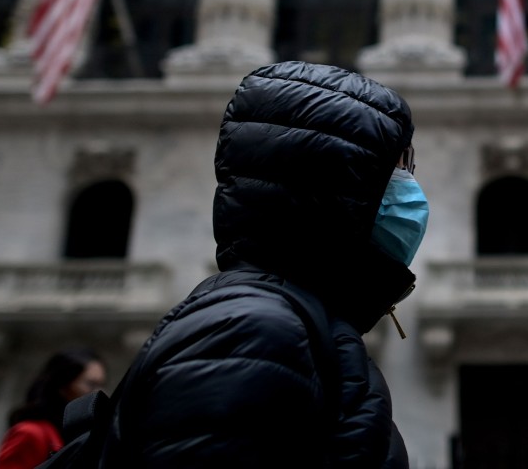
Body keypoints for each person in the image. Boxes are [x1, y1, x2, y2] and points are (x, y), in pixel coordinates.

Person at [106, 61, 428, 467]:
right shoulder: (257, 330)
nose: (413, 187)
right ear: (336, 189)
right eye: (401, 169)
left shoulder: (298, 324)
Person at [0, 347, 107, 469]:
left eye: (101, 385)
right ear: (63, 386)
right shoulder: (31, 433)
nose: (99, 392)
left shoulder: (79, 434)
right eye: (91, 384)